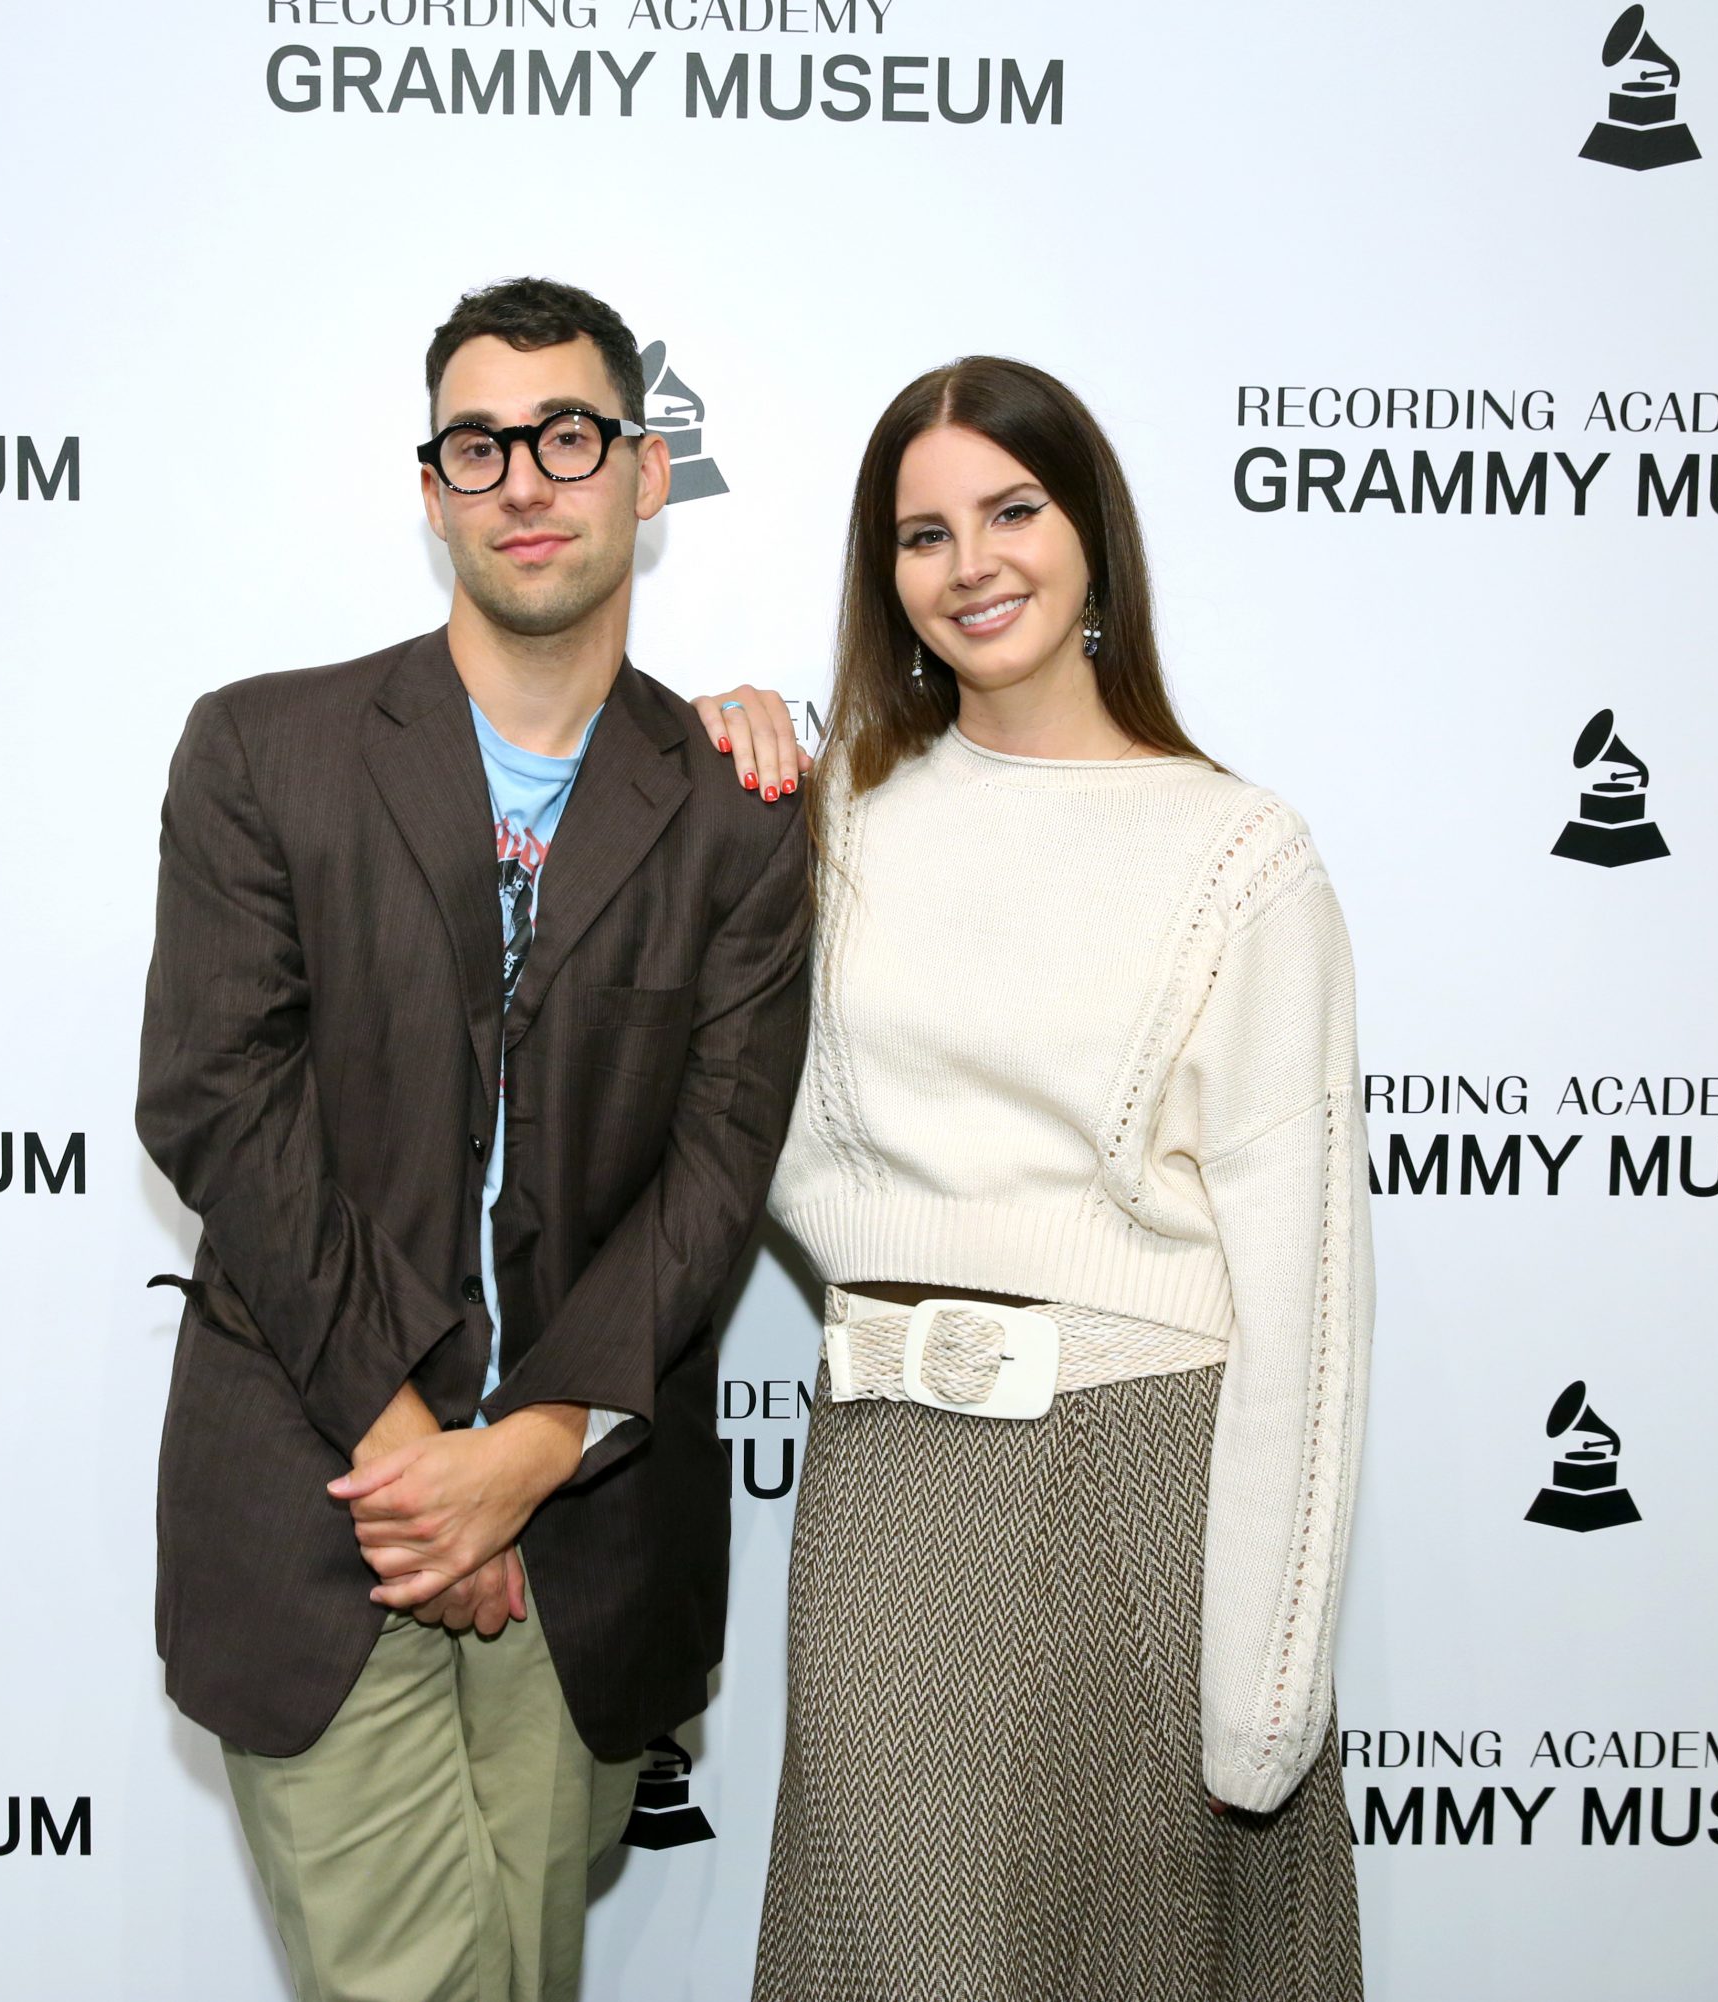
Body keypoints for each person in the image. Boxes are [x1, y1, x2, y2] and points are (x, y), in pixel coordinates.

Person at [136, 276, 812, 2002]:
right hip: (328, 1497)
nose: (524, 478)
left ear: (646, 474)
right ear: (431, 490)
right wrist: (424, 1459)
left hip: (587, 1532)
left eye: (568, 436)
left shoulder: (735, 813)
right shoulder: (263, 748)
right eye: (478, 445)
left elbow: (716, 1173)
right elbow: (219, 1097)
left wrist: (529, 1452)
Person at [696, 356, 1372, 2000]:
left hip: (1140, 1475)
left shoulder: (1237, 852)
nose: (973, 563)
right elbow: (705, 1106)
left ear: (1092, 538)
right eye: (923, 533)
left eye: (1014, 510)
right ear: (886, 576)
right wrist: (692, 792)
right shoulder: (828, 824)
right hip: (884, 1488)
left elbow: (1308, 1293)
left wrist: (1266, 1688)